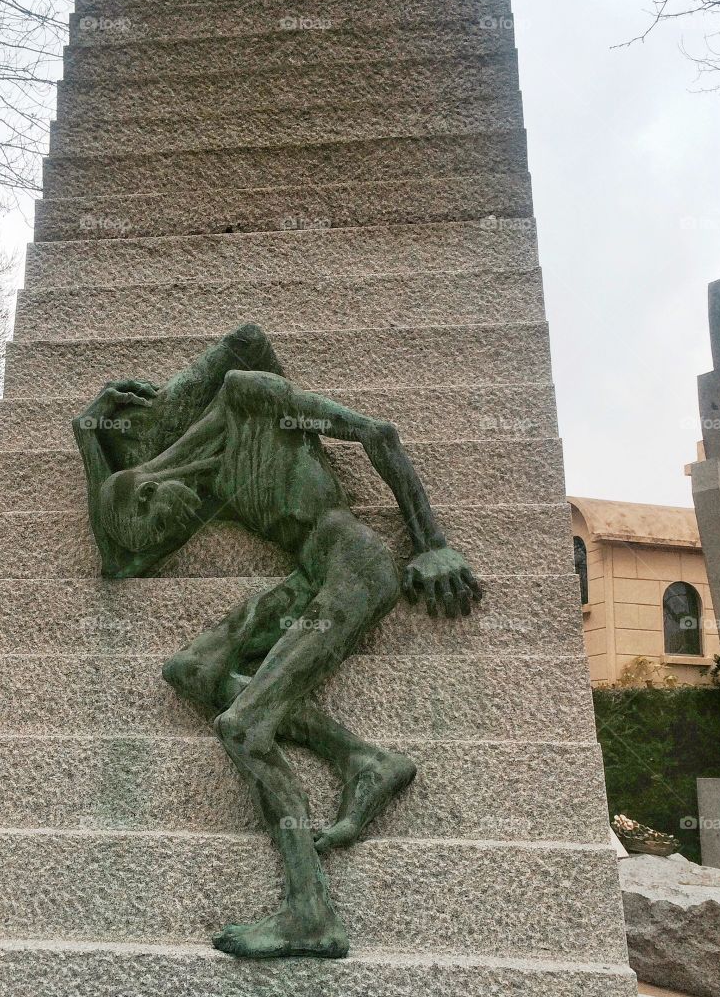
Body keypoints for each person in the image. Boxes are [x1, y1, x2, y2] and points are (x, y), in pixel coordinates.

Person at [73, 324, 482, 959]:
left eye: (159, 519)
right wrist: (88, 438)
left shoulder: (250, 395)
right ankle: (362, 760)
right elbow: (120, 564)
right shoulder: (200, 482)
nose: (169, 532)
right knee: (190, 670)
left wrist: (432, 544)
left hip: (354, 567)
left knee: (242, 728)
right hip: (310, 579)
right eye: (158, 526)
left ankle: (309, 912)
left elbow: (379, 434)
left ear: (150, 486)